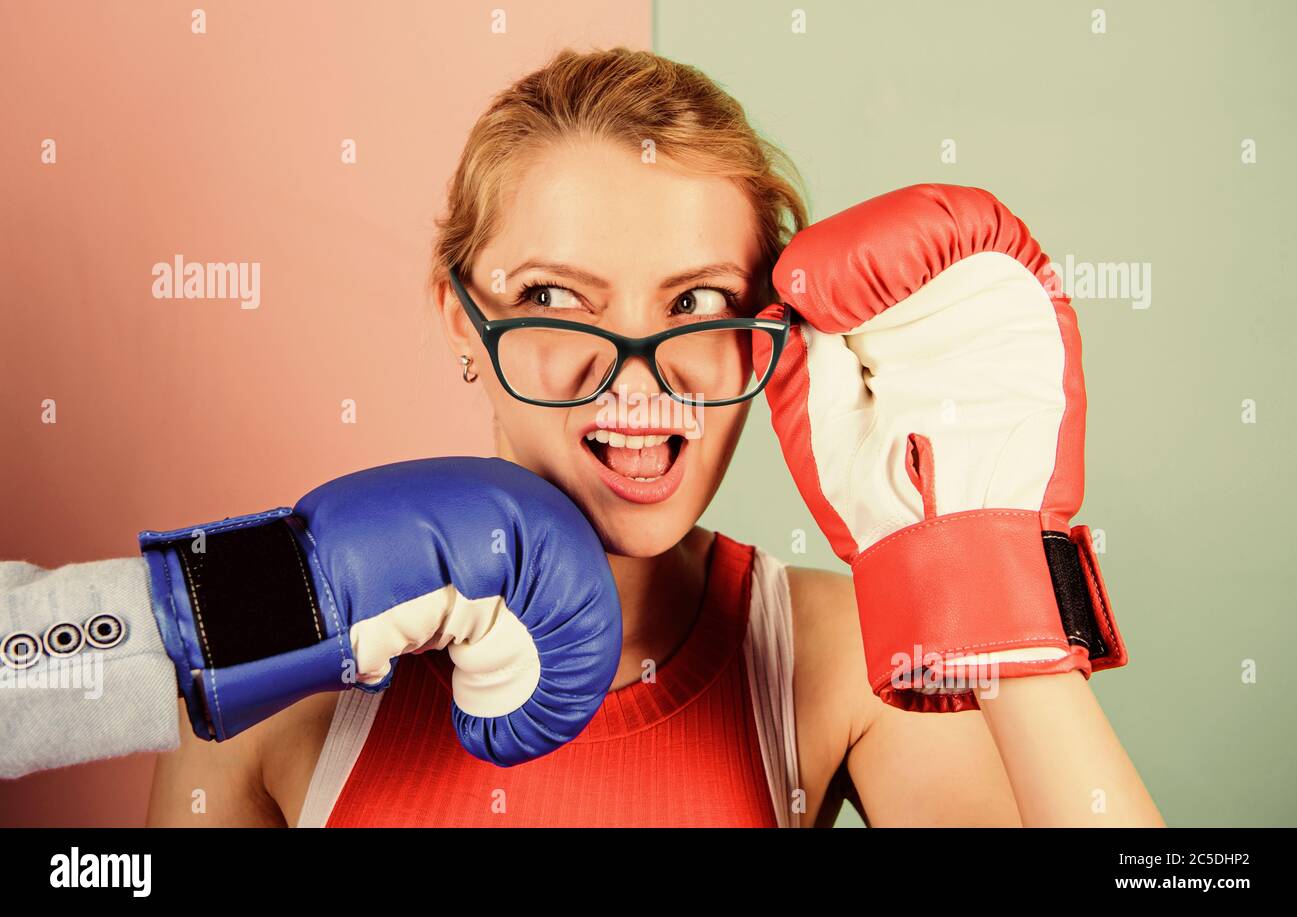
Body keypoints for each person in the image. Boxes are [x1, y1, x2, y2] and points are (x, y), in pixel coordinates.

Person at [140, 47, 1162, 827]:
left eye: (699, 300)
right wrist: (223, 622)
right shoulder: (274, 628)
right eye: (554, 296)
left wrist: (989, 569)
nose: (635, 374)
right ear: (461, 317)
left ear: (767, 336)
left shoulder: (832, 654)